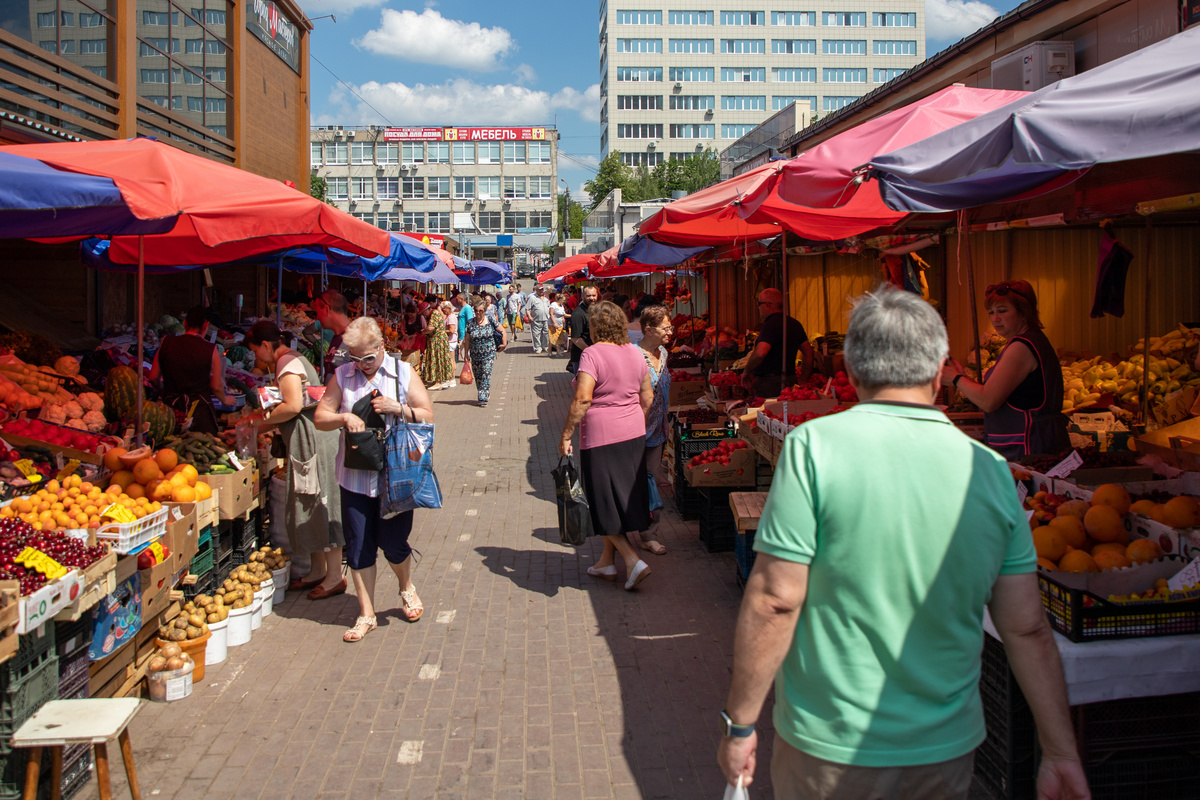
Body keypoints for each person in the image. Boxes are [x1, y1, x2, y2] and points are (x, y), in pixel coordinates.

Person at [718, 288, 1090, 800]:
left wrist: (741, 724)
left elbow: (775, 599)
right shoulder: (990, 471)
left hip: (829, 744)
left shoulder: (814, 448)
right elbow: (1026, 627)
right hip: (944, 750)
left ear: (851, 368)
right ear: (940, 370)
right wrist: (1062, 752)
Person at [314, 317, 434, 642]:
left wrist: (399, 408)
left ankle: (406, 587)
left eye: (368, 357)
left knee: (394, 543)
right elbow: (320, 417)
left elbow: (427, 414)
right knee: (358, 547)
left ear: (381, 347)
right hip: (353, 477)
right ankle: (366, 614)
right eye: (355, 358)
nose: (362, 365)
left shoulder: (402, 373)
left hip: (393, 477)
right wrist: (342, 416)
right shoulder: (343, 376)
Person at [242, 321, 346, 600]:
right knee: (309, 498)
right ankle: (317, 570)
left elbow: (292, 406)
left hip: (312, 440)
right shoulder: (292, 359)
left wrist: (256, 422)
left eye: (256, 352)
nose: (256, 359)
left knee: (321, 499)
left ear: (266, 345)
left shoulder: (286, 363)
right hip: (308, 438)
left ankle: (335, 576)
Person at [558, 301, 655, 591]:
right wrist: (635, 419)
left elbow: (583, 398)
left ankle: (631, 559)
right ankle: (606, 562)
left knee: (601, 501)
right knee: (621, 497)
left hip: (601, 436)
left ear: (597, 327)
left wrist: (565, 435)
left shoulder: (592, 353)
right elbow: (647, 397)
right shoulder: (636, 354)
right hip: (633, 433)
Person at [941, 280, 1069, 460]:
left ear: (1024, 312)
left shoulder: (1022, 347)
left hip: (1027, 449)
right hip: (1033, 442)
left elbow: (988, 401)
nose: (995, 318)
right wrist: (962, 377)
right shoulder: (1028, 341)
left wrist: (956, 379)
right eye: (991, 312)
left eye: (1002, 311)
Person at [148, 306, 237, 435]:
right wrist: (225, 399)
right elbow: (216, 386)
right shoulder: (211, 350)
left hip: (170, 413)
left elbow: (153, 377)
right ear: (206, 325)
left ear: (185, 323)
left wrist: (164, 390)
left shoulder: (165, 342)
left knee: (169, 448)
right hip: (200, 415)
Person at [632, 305, 672, 556]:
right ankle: (623, 532)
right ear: (649, 329)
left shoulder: (665, 354)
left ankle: (649, 534)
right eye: (666, 327)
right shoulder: (633, 356)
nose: (671, 331)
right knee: (631, 483)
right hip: (632, 431)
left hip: (656, 431)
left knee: (653, 481)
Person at [740, 288, 813, 398]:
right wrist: (803, 379)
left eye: (759, 304)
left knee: (770, 414)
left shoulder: (769, 325)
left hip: (769, 384)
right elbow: (809, 353)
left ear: (768, 305)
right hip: (790, 380)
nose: (758, 308)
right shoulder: (794, 324)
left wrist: (747, 370)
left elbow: (760, 353)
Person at [464, 296, 506, 407]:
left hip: (489, 353)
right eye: (476, 310)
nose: (478, 313)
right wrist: (466, 354)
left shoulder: (490, 320)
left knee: (486, 373)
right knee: (478, 376)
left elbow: (502, 330)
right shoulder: (470, 323)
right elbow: (467, 339)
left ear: (485, 311)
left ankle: (483, 397)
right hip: (475, 354)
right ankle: (483, 391)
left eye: (480, 310)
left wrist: (504, 343)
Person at [313, 290, 351, 382]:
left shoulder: (356, 338)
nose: (317, 317)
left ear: (326, 309)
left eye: (317, 312)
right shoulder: (337, 337)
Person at [421, 301, 454, 390]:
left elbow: (431, 328)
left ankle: (438, 382)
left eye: (424, 312)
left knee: (437, 359)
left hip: (438, 341)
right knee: (435, 359)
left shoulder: (434, 314)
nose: (424, 314)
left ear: (427, 310)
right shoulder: (434, 314)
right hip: (435, 340)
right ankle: (434, 380)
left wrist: (424, 332)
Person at [568, 285, 600, 373]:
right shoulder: (578, 314)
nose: (591, 298)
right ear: (582, 296)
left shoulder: (596, 311)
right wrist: (591, 351)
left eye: (594, 295)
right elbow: (575, 339)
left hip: (594, 356)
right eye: (588, 296)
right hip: (581, 358)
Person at [525, 285, 551, 354]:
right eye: (540, 289)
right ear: (536, 290)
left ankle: (545, 346)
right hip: (536, 319)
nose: (541, 291)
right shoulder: (532, 298)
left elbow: (549, 307)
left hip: (546, 319)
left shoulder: (546, 298)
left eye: (542, 289)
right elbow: (527, 308)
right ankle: (538, 347)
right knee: (536, 334)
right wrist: (529, 316)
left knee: (546, 334)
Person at [442, 300, 459, 386]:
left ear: (448, 308)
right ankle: (451, 378)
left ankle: (452, 379)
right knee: (450, 359)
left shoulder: (451, 317)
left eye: (444, 309)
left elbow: (451, 330)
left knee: (451, 359)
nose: (443, 310)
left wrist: (442, 331)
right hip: (451, 340)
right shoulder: (449, 316)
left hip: (451, 340)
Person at [547, 292, 567, 356]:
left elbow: (563, 314)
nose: (564, 301)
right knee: (553, 338)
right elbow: (551, 314)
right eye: (563, 300)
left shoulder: (561, 306)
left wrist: (571, 315)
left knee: (558, 338)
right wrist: (554, 323)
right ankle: (549, 351)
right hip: (553, 325)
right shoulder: (553, 304)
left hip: (560, 324)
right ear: (560, 299)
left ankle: (558, 352)